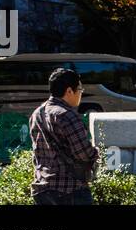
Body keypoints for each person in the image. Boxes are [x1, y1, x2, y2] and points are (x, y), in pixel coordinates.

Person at [29, 67, 100, 206]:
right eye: (80, 90)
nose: (81, 94)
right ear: (69, 91)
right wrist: (96, 152)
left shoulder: (37, 114)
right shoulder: (67, 115)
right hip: (70, 189)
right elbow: (83, 153)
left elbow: (36, 154)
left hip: (42, 189)